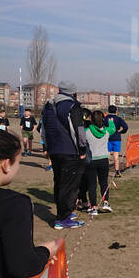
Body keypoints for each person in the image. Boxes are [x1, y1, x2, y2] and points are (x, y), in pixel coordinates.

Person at [0, 130, 58, 278]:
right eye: (19, 161)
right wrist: (45, 251)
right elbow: (22, 265)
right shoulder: (14, 205)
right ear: (6, 165)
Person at [41, 82, 87, 229]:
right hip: (70, 151)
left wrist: (46, 147)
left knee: (59, 182)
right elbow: (78, 130)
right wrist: (82, 150)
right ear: (73, 92)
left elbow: (43, 129)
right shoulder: (73, 106)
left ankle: (63, 212)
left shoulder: (49, 105)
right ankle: (63, 218)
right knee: (70, 185)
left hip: (54, 150)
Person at [83, 110, 116, 215]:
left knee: (92, 185)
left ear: (91, 119)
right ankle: (106, 202)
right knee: (103, 182)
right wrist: (110, 121)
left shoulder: (86, 131)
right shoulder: (106, 131)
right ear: (102, 119)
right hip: (103, 160)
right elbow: (113, 129)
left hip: (91, 161)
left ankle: (94, 207)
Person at [105, 105, 128, 178]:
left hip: (107, 138)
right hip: (116, 138)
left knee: (107, 155)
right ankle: (117, 171)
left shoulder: (105, 118)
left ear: (108, 110)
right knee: (116, 155)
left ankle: (105, 171)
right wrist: (121, 132)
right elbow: (126, 127)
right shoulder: (118, 119)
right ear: (116, 111)